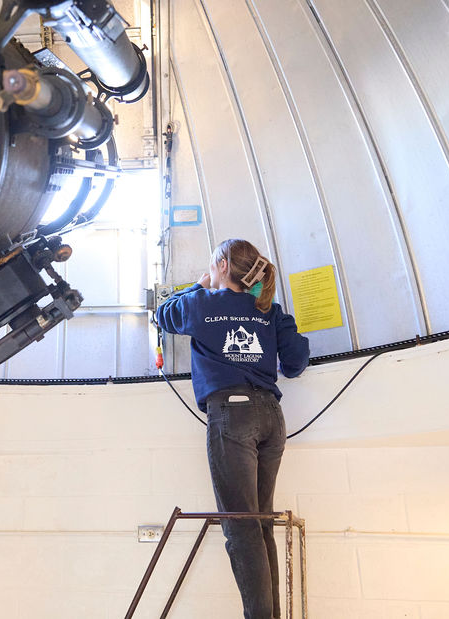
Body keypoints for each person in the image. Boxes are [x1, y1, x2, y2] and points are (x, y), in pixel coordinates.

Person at [156, 239, 309, 619]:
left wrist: (200, 284)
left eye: (213, 265)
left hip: (232, 414)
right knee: (260, 524)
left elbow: (163, 314)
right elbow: (295, 363)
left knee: (241, 530)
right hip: (272, 417)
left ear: (222, 265)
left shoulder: (203, 303)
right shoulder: (270, 311)